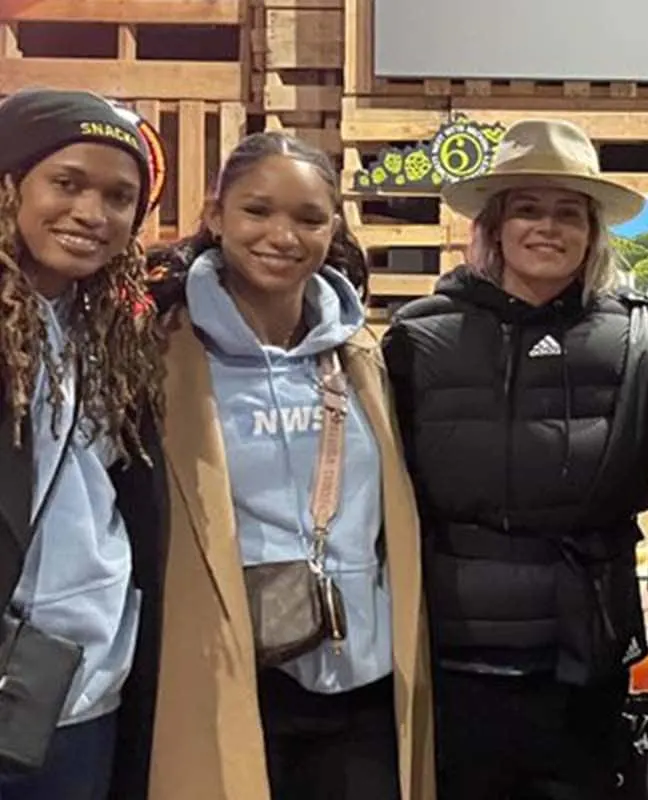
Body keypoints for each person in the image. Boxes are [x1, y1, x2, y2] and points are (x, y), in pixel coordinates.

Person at [141, 131, 435, 799]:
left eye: (308, 218)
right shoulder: (165, 352)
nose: (283, 235)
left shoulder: (360, 354)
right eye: (257, 211)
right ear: (217, 216)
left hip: (359, 676)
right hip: (230, 672)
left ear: (333, 228)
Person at [382, 118, 648, 799]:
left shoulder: (636, 337)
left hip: (582, 654)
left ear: (593, 232)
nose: (548, 228)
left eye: (569, 212)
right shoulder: (419, 337)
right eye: (528, 210)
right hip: (459, 654)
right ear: (495, 226)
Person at [0, 88, 170, 800]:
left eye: (119, 197)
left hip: (83, 692)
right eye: (65, 183)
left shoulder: (117, 336)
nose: (92, 214)